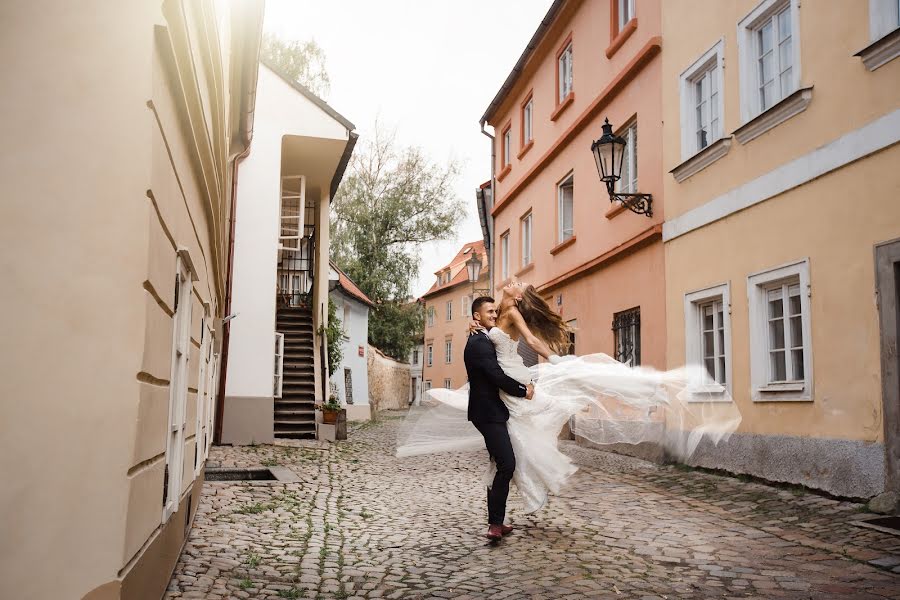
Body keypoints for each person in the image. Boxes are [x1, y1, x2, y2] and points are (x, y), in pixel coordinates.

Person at [464, 296, 534, 541]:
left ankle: (498, 520)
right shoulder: (479, 343)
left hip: (493, 410)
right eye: (489, 311)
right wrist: (523, 391)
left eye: (496, 311)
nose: (494, 315)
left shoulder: (482, 337)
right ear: (477, 316)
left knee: (498, 464)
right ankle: (495, 524)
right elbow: (496, 375)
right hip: (487, 413)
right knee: (507, 464)